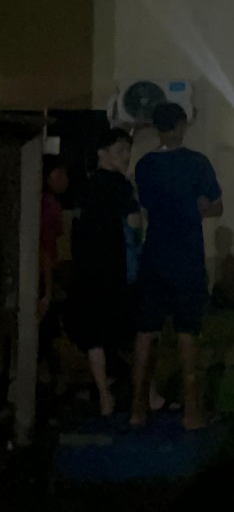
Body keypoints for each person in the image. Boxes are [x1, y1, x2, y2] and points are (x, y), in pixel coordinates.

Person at [130, 102, 223, 430]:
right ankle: (192, 411)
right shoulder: (197, 163)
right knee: (187, 333)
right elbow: (215, 206)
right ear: (182, 125)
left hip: (154, 255)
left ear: (157, 128)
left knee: (146, 333)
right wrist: (200, 207)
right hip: (187, 258)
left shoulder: (145, 166)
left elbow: (145, 206)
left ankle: (137, 408)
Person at [65, 129, 139, 416]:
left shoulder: (86, 186)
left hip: (87, 270)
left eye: (127, 150)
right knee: (131, 331)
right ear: (102, 152)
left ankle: (104, 394)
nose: (126, 156)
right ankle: (142, 393)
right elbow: (134, 224)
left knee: (94, 334)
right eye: (120, 150)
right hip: (114, 270)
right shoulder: (120, 186)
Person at [38, 158, 70, 392]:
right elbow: (47, 250)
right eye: (63, 174)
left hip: (43, 275)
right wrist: (48, 290)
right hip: (43, 277)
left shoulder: (43, 203)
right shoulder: (49, 207)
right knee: (46, 331)